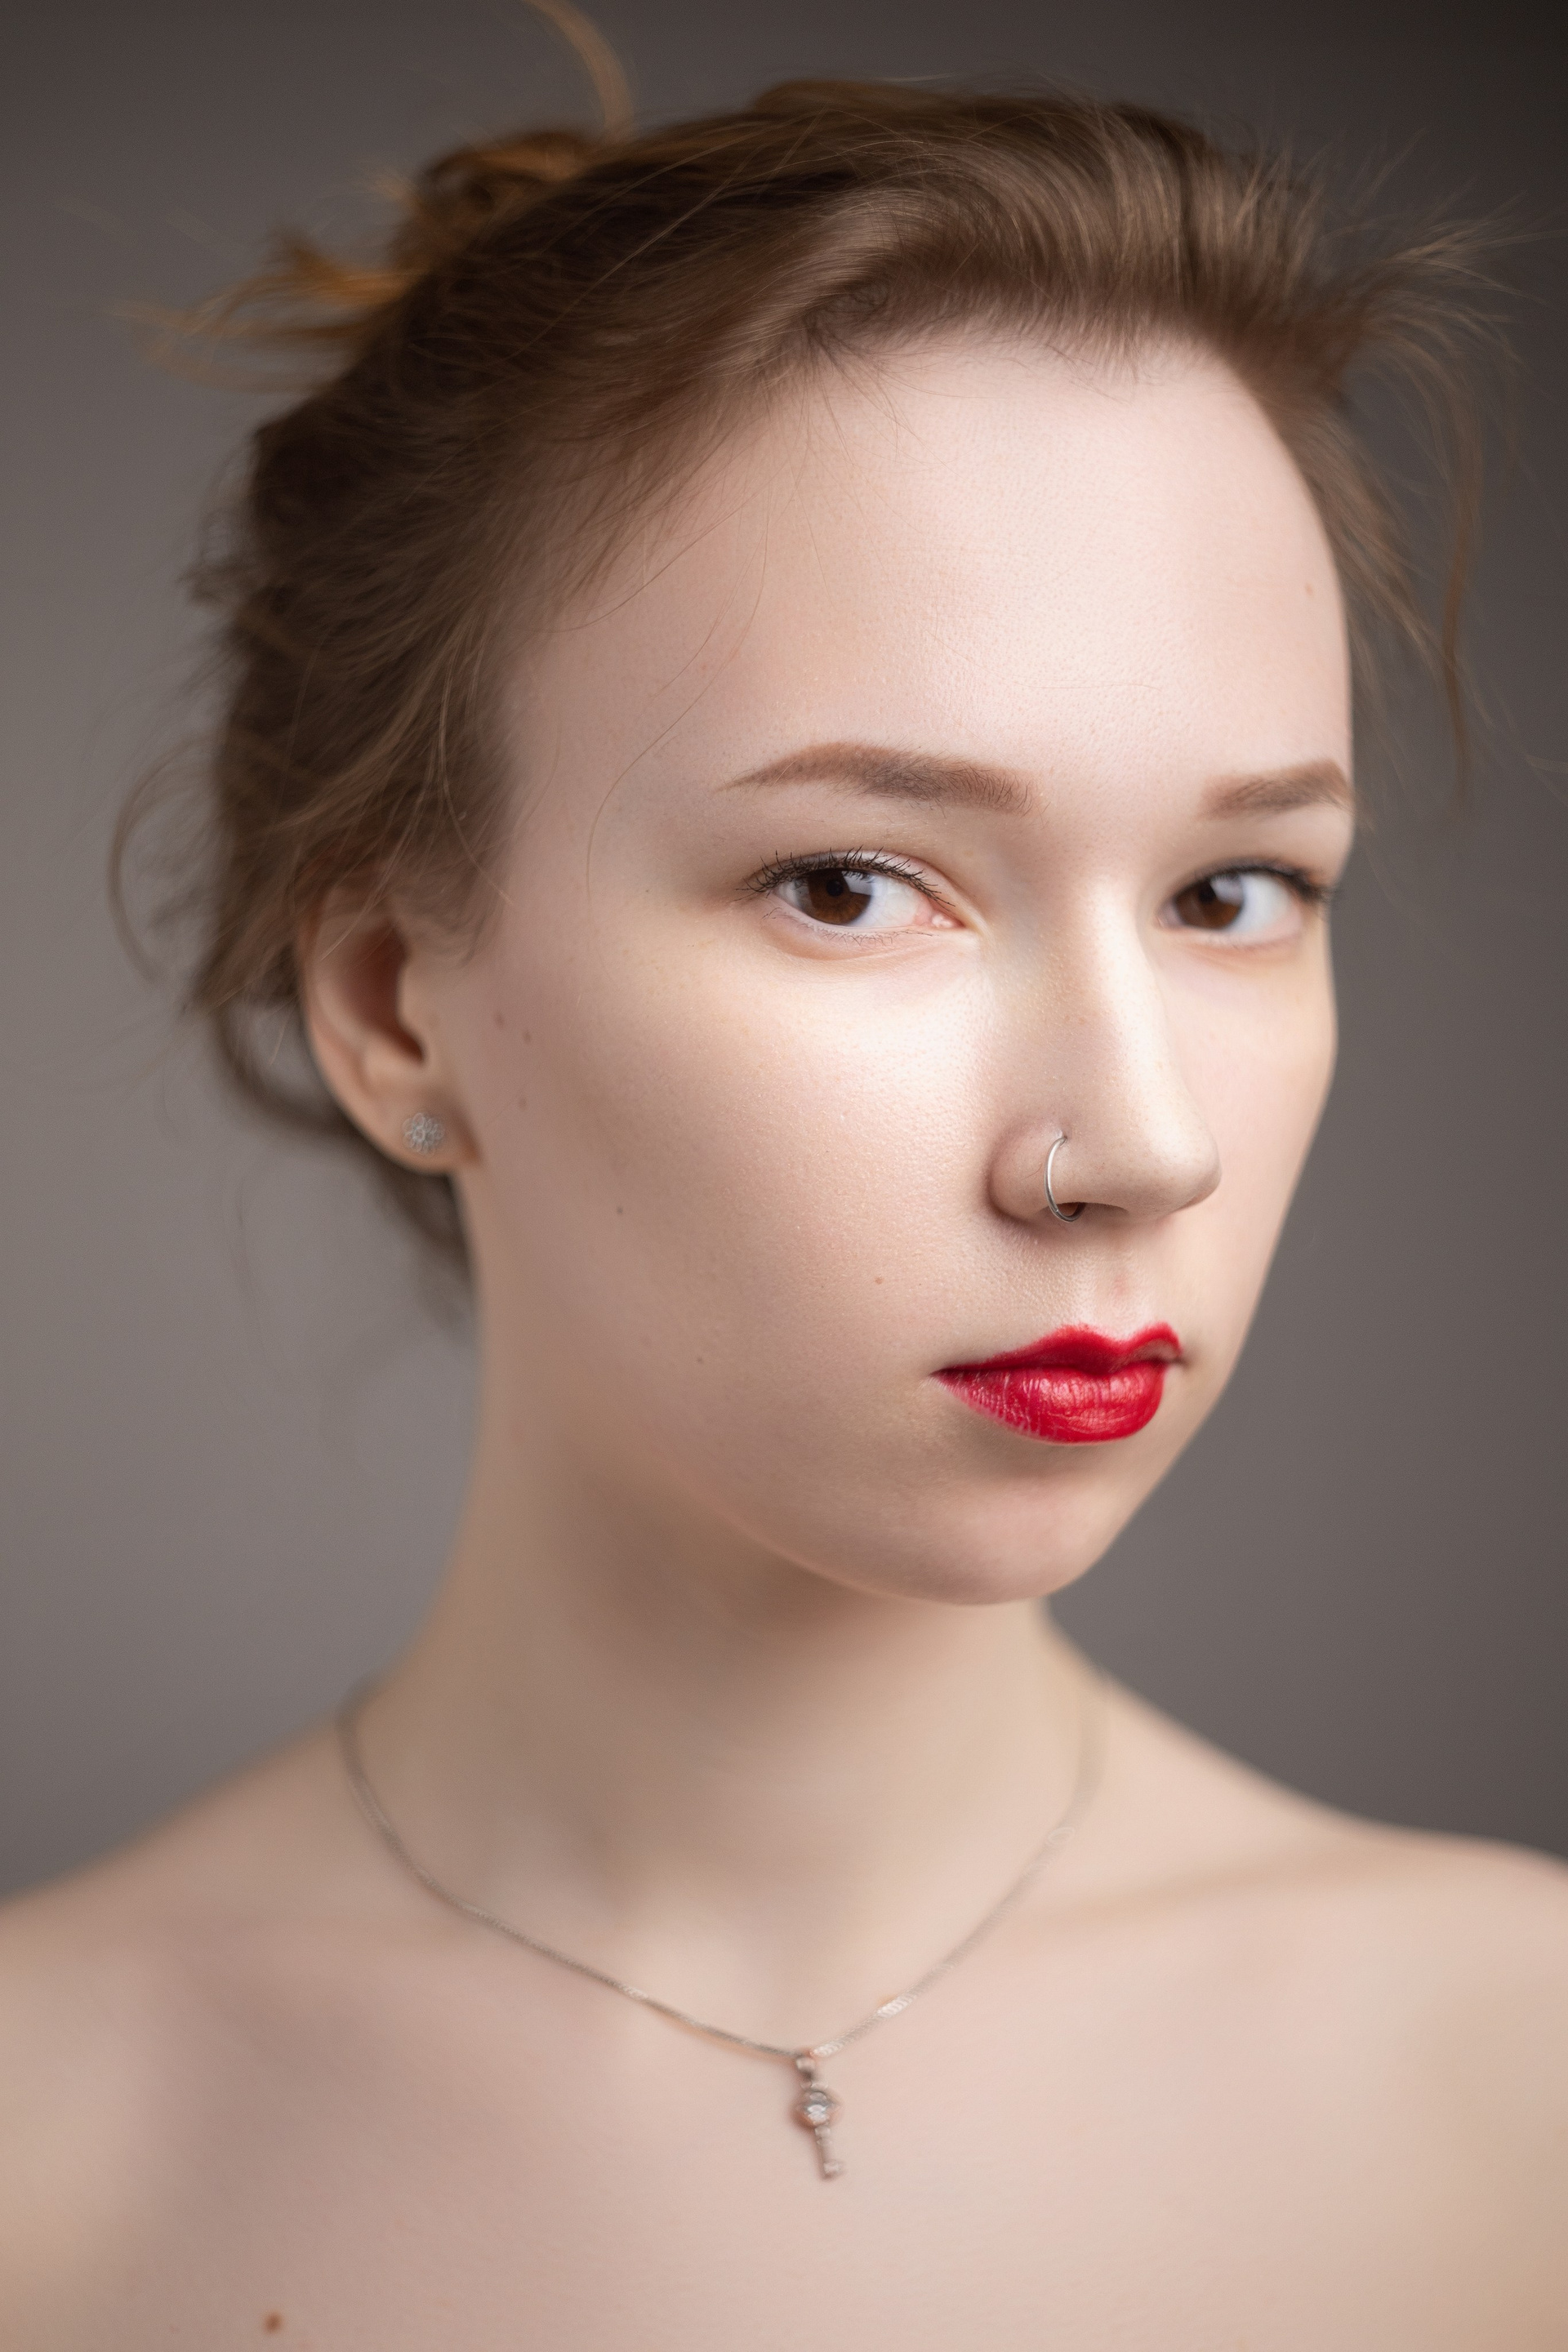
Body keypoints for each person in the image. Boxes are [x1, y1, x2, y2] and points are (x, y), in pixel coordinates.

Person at [1, 71, 1564, 2350]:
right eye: (851, 884)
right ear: (395, 1000)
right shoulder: (47, 2164)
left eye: (1234, 891)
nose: (1138, 1145)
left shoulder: (1522, 2086)